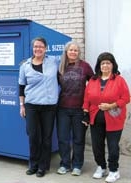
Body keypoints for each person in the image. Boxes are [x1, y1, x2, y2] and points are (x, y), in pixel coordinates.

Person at [82, 52, 130, 183]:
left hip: (114, 119)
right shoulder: (93, 80)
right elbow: (86, 98)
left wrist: (111, 105)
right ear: (99, 65)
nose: (105, 65)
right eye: (102, 63)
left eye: (108, 63)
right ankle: (101, 167)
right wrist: (85, 113)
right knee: (97, 145)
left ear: (113, 65)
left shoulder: (119, 80)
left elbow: (126, 98)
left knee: (113, 146)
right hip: (95, 118)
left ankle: (114, 170)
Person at [19, 37, 59, 177]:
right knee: (33, 136)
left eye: (41, 46)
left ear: (46, 48)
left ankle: (43, 166)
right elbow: (21, 86)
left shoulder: (54, 61)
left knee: (46, 138)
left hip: (49, 106)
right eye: (35, 46)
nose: (38, 49)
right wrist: (21, 105)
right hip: (31, 106)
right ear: (33, 48)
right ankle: (33, 164)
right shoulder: (25, 65)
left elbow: (69, 61)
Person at [56, 41, 94, 176]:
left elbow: (94, 83)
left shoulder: (85, 66)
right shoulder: (61, 66)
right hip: (62, 109)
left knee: (79, 139)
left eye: (76, 50)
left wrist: (89, 108)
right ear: (66, 52)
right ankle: (65, 164)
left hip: (80, 109)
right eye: (71, 50)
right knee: (63, 138)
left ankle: (77, 165)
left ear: (79, 53)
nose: (73, 52)